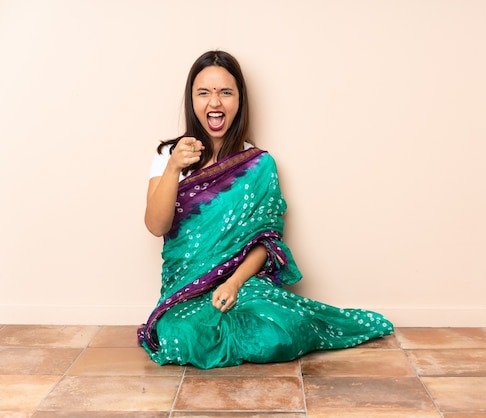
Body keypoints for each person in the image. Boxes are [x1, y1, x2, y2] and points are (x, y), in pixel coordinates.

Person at [137, 50, 393, 369]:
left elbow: (266, 243)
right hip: (185, 290)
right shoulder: (167, 155)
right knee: (178, 336)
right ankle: (217, 334)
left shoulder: (258, 164)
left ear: (239, 101)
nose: (214, 102)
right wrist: (175, 167)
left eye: (225, 92)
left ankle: (230, 333)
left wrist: (232, 283)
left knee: (280, 331)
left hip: (243, 284)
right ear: (191, 101)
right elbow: (156, 225)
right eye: (204, 93)